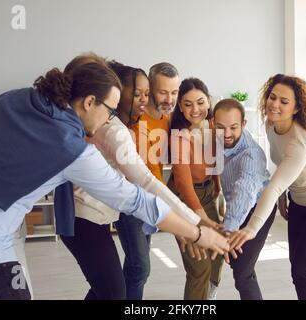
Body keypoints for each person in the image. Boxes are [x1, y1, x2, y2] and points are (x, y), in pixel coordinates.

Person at [0, 58, 229, 300]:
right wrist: (198, 232)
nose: (109, 120)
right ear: (90, 101)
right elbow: (135, 199)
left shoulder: (10, 98)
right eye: (109, 111)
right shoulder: (72, 149)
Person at [59, 55, 205, 300]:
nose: (145, 100)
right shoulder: (116, 128)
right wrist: (191, 221)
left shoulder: (153, 121)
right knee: (129, 276)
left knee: (110, 286)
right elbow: (143, 179)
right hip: (107, 209)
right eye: (140, 94)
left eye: (173, 92)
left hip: (110, 209)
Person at [228, 74, 306, 300]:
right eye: (272, 97)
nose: (274, 104)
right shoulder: (271, 124)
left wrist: (251, 229)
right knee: (298, 269)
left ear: (296, 108)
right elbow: (283, 168)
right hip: (299, 205)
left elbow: (274, 186)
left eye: (284, 101)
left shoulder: (300, 141)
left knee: (304, 271)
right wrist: (285, 198)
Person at [112, 62, 180, 299]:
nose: (169, 98)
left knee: (135, 267)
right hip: (132, 200)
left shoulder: (167, 118)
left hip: (151, 200)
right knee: (140, 267)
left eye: (174, 92)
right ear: (150, 89)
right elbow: (144, 174)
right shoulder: (134, 122)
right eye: (163, 92)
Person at [213, 98, 276, 300]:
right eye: (221, 127)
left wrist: (229, 229)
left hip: (258, 208)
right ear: (213, 124)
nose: (227, 134)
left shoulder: (251, 155)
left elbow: (244, 192)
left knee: (242, 272)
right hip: (237, 206)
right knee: (239, 264)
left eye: (233, 127)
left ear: (243, 124)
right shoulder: (216, 139)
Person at [167, 77, 224, 300]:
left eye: (200, 102)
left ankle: (208, 297)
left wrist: (219, 192)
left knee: (218, 253)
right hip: (185, 200)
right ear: (180, 106)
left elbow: (217, 164)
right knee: (199, 266)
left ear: (208, 102)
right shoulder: (179, 136)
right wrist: (199, 218)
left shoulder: (214, 127)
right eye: (188, 104)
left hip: (209, 193)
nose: (195, 109)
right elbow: (183, 182)